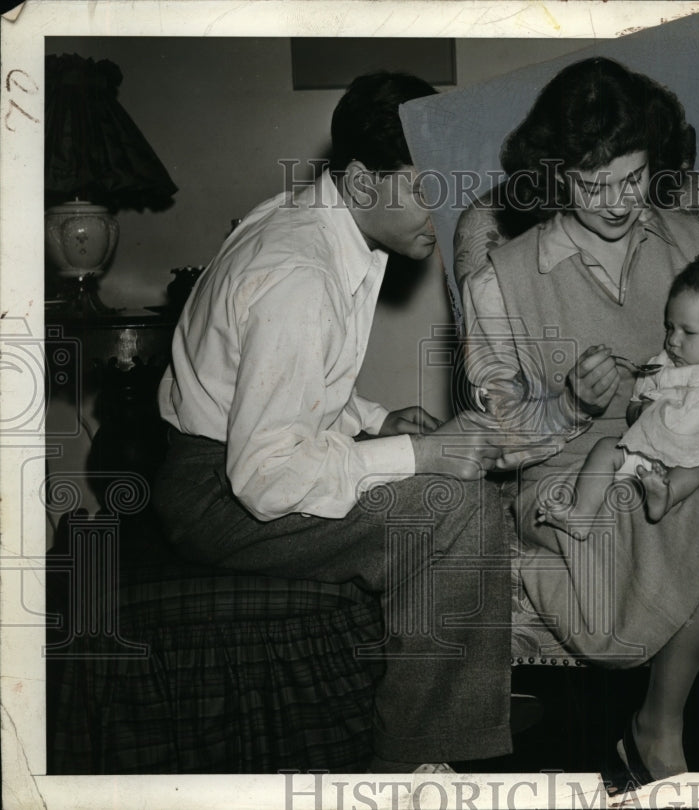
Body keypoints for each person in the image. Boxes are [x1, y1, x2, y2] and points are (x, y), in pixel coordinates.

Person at [456, 57, 699, 787]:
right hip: (576, 473)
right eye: (590, 183)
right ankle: (657, 719)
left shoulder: (695, 242)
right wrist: (573, 403)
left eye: (633, 179)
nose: (615, 202)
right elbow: (496, 440)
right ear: (553, 173)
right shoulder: (498, 278)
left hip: (697, 443)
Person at [153, 72, 512, 773]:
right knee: (457, 507)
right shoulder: (299, 272)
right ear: (361, 178)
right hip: (217, 495)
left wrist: (374, 421)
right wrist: (417, 454)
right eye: (422, 188)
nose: (440, 212)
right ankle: (421, 767)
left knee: (433, 475)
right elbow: (262, 475)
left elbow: (272, 379)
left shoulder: (315, 218)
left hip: (219, 461)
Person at [537, 256, 699, 540]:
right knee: (605, 449)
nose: (673, 340)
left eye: (688, 332)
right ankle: (580, 516)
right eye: (670, 327)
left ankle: (667, 495)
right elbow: (635, 406)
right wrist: (642, 411)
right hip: (653, 453)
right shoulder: (661, 365)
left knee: (696, 463)